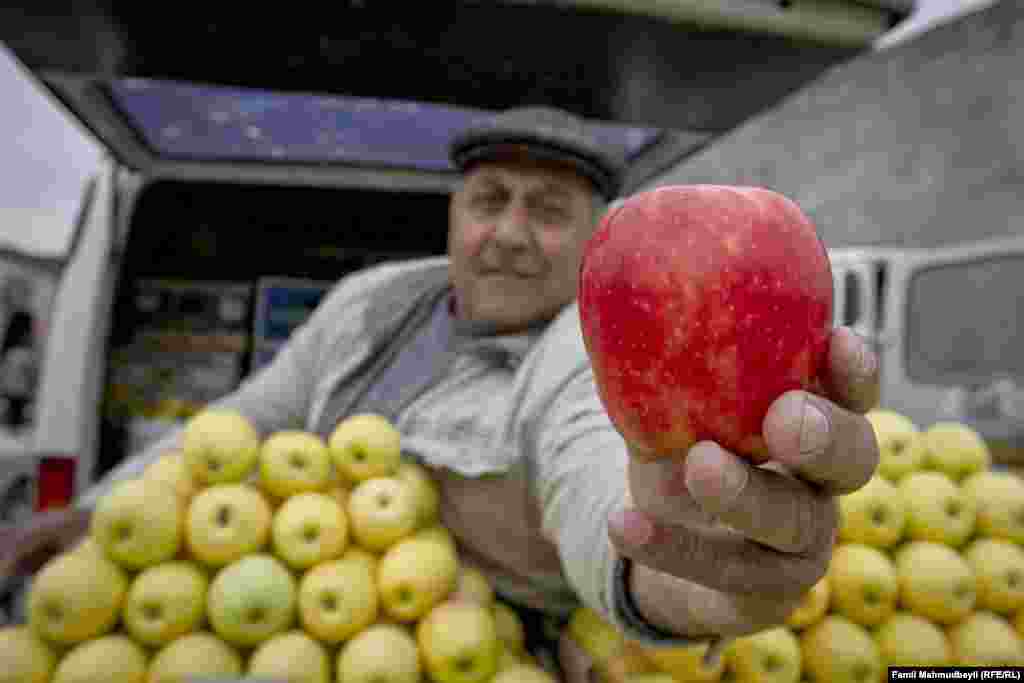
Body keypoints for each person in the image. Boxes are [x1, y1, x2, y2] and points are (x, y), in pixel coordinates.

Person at [0, 106, 880, 679]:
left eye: (547, 211)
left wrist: (680, 579)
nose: (507, 233)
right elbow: (249, 415)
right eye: (488, 200)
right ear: (453, 215)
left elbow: (596, 483)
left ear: (592, 249)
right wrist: (94, 509)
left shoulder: (586, 356)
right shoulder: (372, 301)